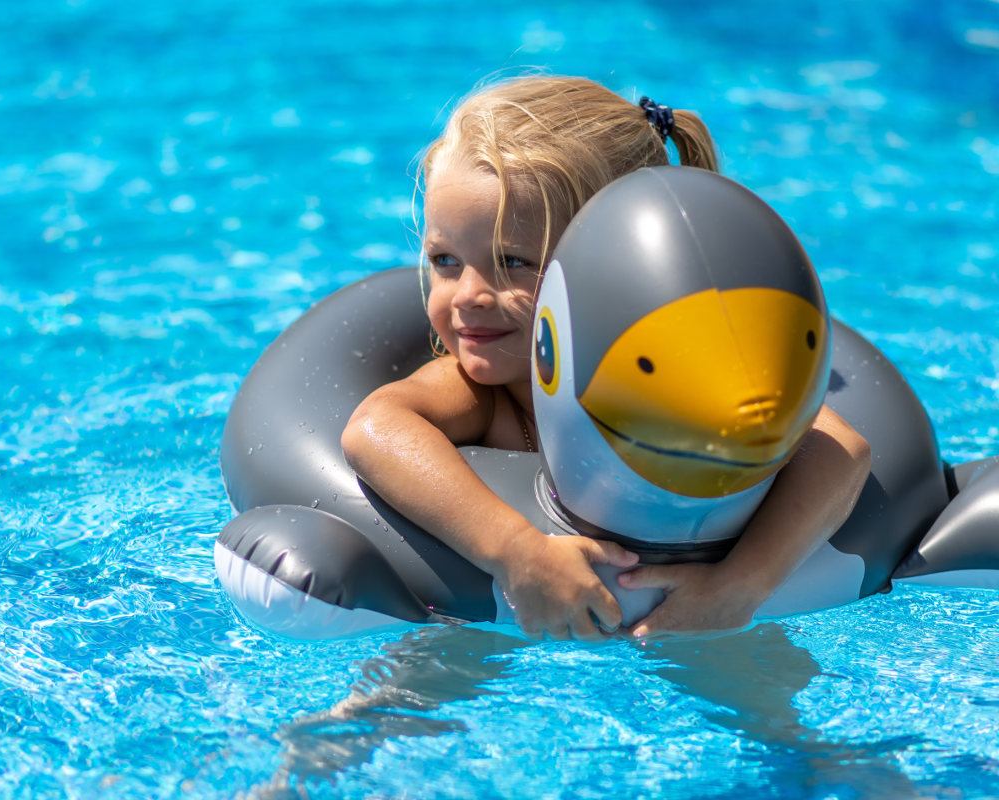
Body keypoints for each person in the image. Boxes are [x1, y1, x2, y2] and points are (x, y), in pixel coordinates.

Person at [340, 76, 872, 642]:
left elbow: (842, 450)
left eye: (513, 261)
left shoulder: (678, 387)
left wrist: (743, 584)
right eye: (445, 260)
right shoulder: (476, 391)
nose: (467, 294)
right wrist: (518, 553)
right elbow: (374, 428)